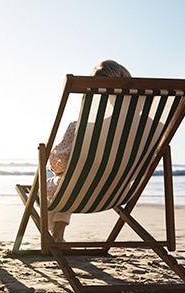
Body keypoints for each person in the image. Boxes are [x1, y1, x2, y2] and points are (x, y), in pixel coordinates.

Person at [46, 59, 132, 242]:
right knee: (69, 180)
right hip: (118, 191)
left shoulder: (81, 128)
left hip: (78, 191)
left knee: (63, 181)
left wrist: (53, 156)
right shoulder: (151, 127)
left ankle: (56, 237)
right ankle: (57, 237)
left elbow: (57, 165)